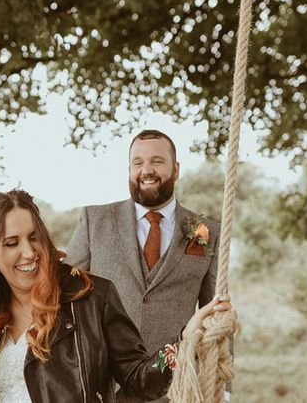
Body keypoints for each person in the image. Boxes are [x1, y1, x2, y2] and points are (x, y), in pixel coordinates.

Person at [0, 189, 232, 403]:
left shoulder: (93, 298)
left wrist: (185, 341)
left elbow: (138, 380)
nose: (29, 252)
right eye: (12, 243)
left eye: (34, 238)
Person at [64, 129, 230, 403]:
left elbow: (218, 315)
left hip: (175, 385)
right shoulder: (95, 220)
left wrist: (221, 389)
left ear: (176, 170)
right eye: (137, 162)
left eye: (157, 161)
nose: (146, 170)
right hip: (104, 385)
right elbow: (66, 298)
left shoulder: (206, 231)